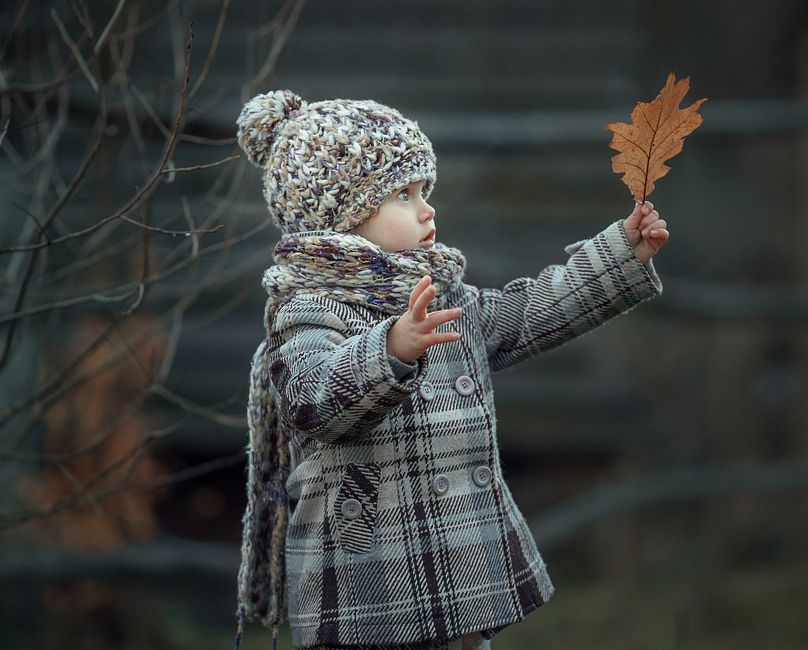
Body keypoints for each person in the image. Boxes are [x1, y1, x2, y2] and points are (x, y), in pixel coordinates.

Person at [233, 90, 669, 650]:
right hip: (371, 581)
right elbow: (310, 399)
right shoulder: (311, 309)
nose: (426, 209)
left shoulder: (441, 295)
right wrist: (389, 347)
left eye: (425, 191)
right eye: (402, 195)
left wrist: (619, 254)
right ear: (341, 219)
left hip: (457, 571)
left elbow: (530, 311)